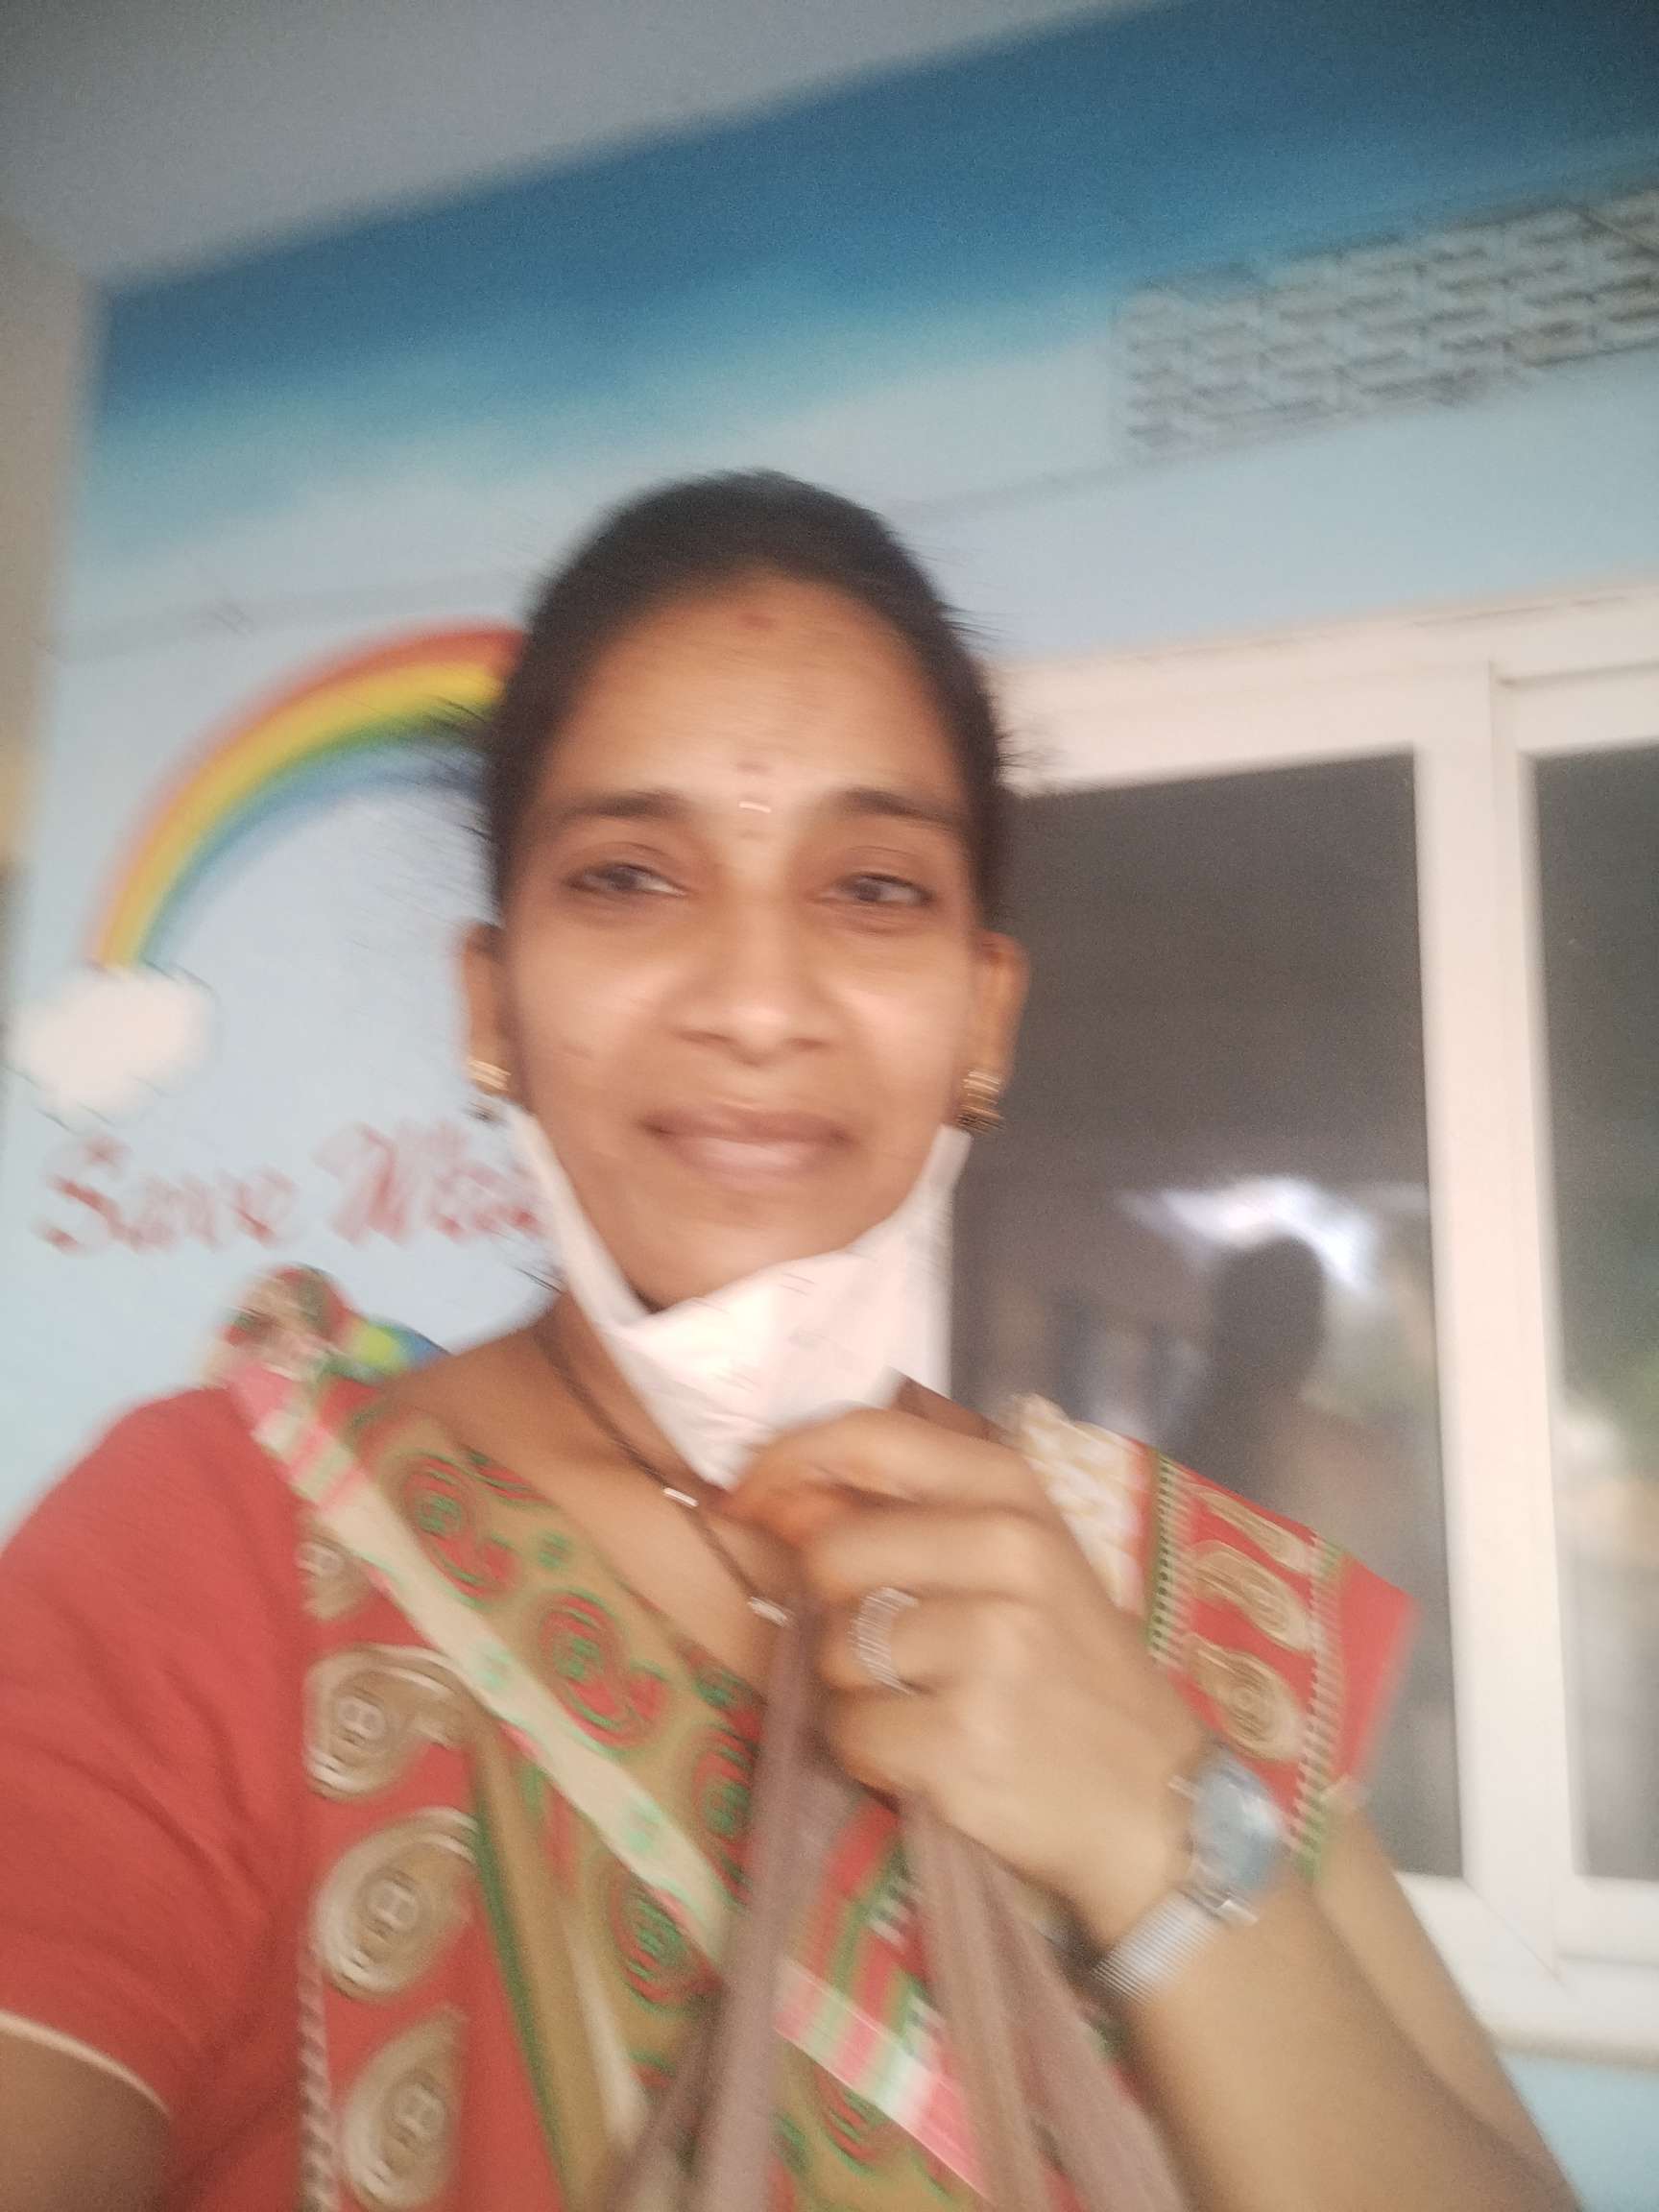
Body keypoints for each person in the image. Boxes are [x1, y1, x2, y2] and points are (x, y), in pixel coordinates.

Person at [0, 474, 1573, 2212]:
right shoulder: (214, 1546)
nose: (755, 1005)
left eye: (873, 889)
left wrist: (1156, 1830)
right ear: (492, 1005)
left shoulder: (1170, 1605)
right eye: (628, 877)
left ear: (984, 1018)